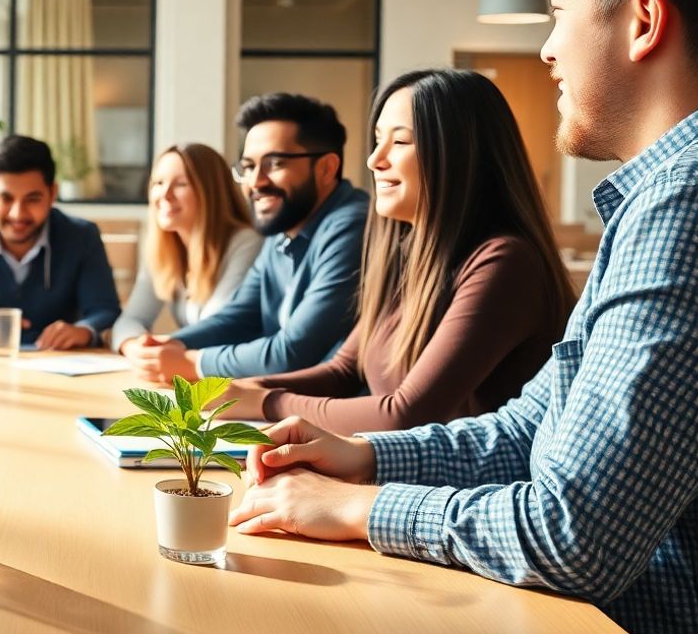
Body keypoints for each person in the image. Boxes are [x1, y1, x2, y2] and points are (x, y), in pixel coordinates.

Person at [229, 0, 698, 631]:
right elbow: (527, 429)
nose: (546, 51)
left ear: (642, 20)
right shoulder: (648, 204)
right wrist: (365, 459)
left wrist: (361, 506)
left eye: (557, 13)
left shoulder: (682, 207)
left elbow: (573, 538)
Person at [214, 70, 573, 433]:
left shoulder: (505, 264)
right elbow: (342, 372)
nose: (374, 160)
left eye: (400, 142)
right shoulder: (405, 254)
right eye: (376, 140)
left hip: (469, 487)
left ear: (460, 153)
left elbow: (405, 413)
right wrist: (245, 390)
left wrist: (267, 402)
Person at [123, 93, 368, 383]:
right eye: (249, 167)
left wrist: (192, 362)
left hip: (331, 414)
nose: (255, 182)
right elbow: (239, 317)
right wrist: (170, 346)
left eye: (275, 163)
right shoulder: (281, 229)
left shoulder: (352, 225)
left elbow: (294, 352)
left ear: (327, 168)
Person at [0, 135, 121, 350]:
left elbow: (106, 311)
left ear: (52, 193)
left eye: (32, 199)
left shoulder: (83, 236)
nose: (18, 214)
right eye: (5, 198)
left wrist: (84, 330)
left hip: (55, 366)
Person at [110, 144, 262, 353]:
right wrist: (134, 347)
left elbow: (219, 327)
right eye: (158, 183)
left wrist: (160, 347)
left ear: (211, 193)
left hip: (233, 376)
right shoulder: (162, 250)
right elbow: (130, 320)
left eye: (181, 184)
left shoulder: (246, 242)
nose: (165, 194)